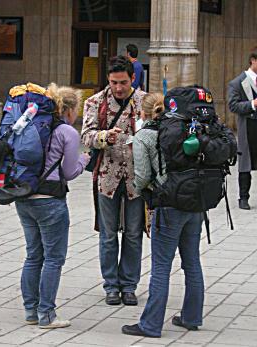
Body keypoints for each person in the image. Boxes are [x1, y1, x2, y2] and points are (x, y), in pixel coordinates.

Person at [122, 92, 204, 338]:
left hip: (168, 206)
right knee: (192, 261)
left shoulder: (144, 136)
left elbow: (143, 177)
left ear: (142, 113)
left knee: (160, 267)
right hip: (194, 202)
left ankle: (151, 324)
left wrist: (137, 190)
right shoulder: (184, 128)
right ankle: (191, 316)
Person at [15, 83, 90, 329]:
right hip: (50, 202)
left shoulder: (31, 125)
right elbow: (68, 172)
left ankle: (30, 311)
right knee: (53, 259)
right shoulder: (67, 132)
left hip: (25, 198)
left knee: (33, 254)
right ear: (69, 110)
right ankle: (47, 314)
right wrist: (85, 159)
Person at [81, 55, 145, 306]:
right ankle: (110, 285)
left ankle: (129, 285)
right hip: (106, 177)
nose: (118, 88)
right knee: (108, 235)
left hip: (137, 179)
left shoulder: (145, 101)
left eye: (123, 82)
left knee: (133, 233)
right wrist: (103, 137)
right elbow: (85, 136)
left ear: (133, 78)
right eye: (113, 82)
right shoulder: (95, 102)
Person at [228, 47, 257, 210]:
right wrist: (252, 104)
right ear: (253, 60)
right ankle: (243, 197)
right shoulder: (238, 82)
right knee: (245, 164)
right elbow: (233, 105)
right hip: (248, 126)